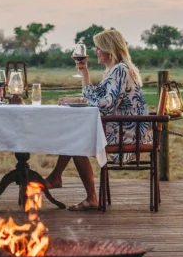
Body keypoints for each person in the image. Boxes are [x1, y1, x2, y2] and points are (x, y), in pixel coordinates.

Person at [45, 28, 150, 210]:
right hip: (119, 127)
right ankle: (57, 178)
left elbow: (105, 105)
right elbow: (96, 97)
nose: (95, 52)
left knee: (76, 139)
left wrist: (82, 101)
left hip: (125, 132)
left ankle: (76, 189)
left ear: (109, 49)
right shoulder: (114, 70)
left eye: (98, 48)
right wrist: (84, 73)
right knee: (75, 136)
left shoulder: (120, 71)